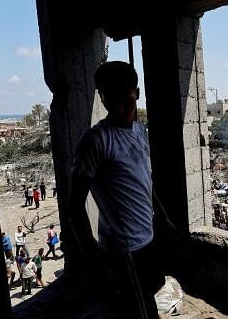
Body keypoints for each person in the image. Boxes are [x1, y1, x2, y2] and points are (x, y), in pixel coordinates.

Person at [68, 61, 162, 318]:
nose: (121, 109)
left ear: (137, 93)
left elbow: (142, 179)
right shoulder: (95, 141)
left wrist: (161, 218)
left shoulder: (140, 131)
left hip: (147, 241)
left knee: (145, 301)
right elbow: (74, 207)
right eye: (112, 101)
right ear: (102, 98)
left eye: (128, 100)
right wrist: (97, 262)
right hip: (124, 251)